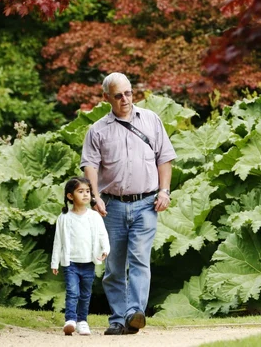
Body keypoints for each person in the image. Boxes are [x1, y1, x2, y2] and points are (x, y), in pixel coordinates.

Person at [81, 72, 176, 336]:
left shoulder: (151, 120)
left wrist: (164, 191)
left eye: (128, 93)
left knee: (139, 260)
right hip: (112, 205)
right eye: (118, 95)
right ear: (106, 98)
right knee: (113, 267)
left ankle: (135, 313)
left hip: (146, 203)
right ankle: (118, 318)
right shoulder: (97, 130)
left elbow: (164, 158)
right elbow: (90, 164)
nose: (125, 99)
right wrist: (95, 197)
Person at [51, 177, 110, 336]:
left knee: (85, 293)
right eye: (80, 191)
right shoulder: (64, 218)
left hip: (89, 262)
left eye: (87, 191)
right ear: (70, 196)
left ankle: (82, 321)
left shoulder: (94, 216)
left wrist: (105, 249)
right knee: (72, 291)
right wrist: (55, 263)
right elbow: (58, 242)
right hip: (71, 263)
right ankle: (70, 320)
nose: (85, 195)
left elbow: (102, 234)